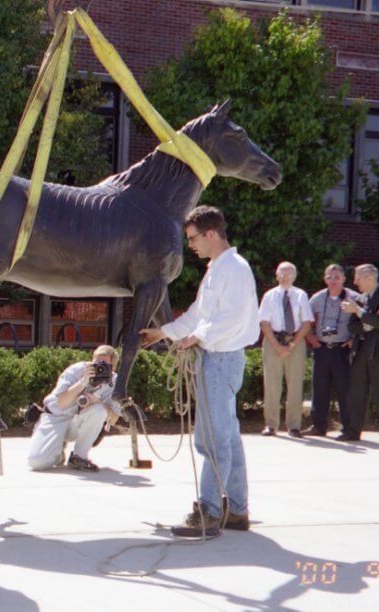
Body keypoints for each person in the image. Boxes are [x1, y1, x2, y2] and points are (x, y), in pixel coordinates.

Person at [139, 206, 259, 536]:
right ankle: (236, 510)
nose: (190, 245)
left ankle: (208, 511)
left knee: (214, 440)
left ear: (210, 234)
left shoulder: (232, 268)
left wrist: (196, 337)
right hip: (218, 359)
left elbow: (230, 318)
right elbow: (198, 314)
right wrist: (166, 332)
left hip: (221, 360)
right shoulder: (219, 269)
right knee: (227, 437)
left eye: (192, 238)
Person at [27, 345, 121, 472]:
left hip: (79, 421)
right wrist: (83, 381)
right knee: (36, 462)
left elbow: (113, 419)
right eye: (95, 363)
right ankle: (58, 453)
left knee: (99, 410)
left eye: (104, 364)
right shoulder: (76, 370)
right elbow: (61, 403)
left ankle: (79, 457)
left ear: (113, 368)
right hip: (56, 417)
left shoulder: (115, 382)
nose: (98, 367)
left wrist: (98, 402)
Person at [338, 264, 379, 447]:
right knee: (357, 393)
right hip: (361, 350)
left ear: (370, 278)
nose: (355, 282)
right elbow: (353, 326)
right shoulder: (359, 298)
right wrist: (366, 322)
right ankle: (353, 431)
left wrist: (359, 313)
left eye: (358, 278)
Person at [258, 262, 314, 438]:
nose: (285, 276)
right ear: (276, 275)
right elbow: (264, 323)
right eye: (281, 273)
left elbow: (306, 323)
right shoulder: (269, 296)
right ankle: (271, 425)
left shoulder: (301, 295)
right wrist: (277, 346)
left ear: (295, 276)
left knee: (295, 385)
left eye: (289, 273)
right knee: (272, 385)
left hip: (295, 343)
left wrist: (291, 345)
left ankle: (294, 426)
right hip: (273, 341)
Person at [303, 264, 358, 437]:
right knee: (319, 389)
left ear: (343, 279)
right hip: (322, 349)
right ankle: (318, 426)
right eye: (329, 277)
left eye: (337, 277)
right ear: (325, 279)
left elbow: (363, 320)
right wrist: (310, 336)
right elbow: (305, 320)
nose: (333, 281)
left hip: (342, 350)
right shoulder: (317, 298)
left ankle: (349, 429)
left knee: (345, 390)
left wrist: (354, 339)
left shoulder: (354, 297)